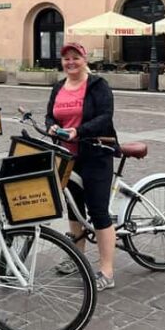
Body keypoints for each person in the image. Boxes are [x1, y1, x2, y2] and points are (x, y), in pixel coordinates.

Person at [45, 41, 117, 292]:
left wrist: (79, 131)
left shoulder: (98, 85)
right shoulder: (58, 87)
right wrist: (51, 127)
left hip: (96, 154)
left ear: (85, 60)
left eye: (75, 57)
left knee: (98, 212)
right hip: (68, 156)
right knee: (74, 209)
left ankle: (107, 271)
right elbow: (50, 115)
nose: (71, 62)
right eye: (66, 58)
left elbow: (105, 117)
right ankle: (77, 257)